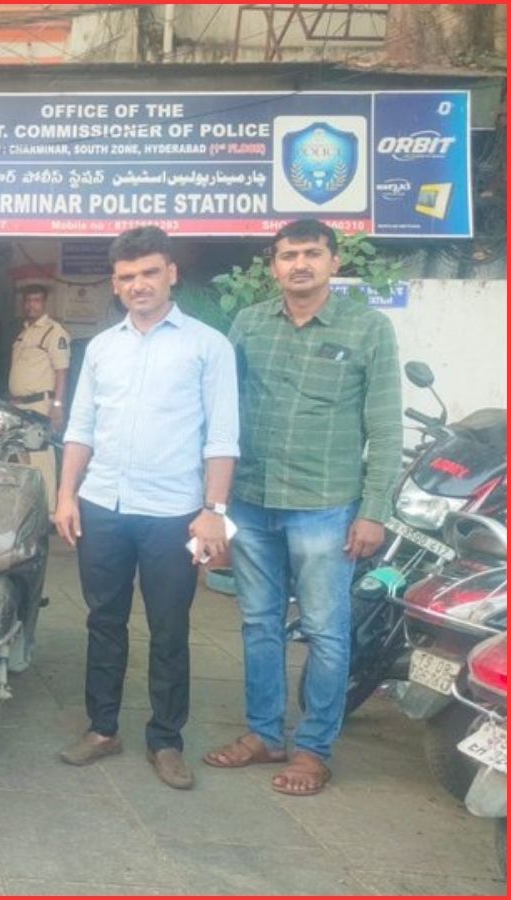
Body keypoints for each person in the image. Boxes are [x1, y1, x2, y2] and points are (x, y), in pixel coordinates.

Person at [204, 219, 402, 796]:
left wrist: (374, 510)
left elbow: (385, 430)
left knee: (324, 629)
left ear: (334, 262)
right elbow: (222, 411)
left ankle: (314, 749)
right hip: (254, 501)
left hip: (325, 505)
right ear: (273, 266)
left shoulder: (369, 329)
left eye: (312, 254)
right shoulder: (248, 325)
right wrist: (213, 500)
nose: (300, 265)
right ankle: (265, 734)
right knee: (258, 623)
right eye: (288, 255)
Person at [53, 226, 239, 790]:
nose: (139, 285)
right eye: (128, 276)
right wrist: (65, 495)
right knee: (103, 620)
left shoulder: (209, 346)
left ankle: (166, 739)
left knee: (169, 627)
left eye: (149, 273)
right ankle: (102, 727)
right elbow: (81, 427)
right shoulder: (104, 347)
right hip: (103, 505)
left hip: (173, 513)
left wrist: (213, 510)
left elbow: (222, 436)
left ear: (171, 274)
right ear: (115, 282)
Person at [7, 284, 71, 512]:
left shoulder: (54, 332)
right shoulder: (24, 332)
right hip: (19, 406)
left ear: (44, 304)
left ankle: (48, 514)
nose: (30, 305)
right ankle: (28, 511)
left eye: (36, 300)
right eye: (27, 301)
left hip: (40, 405)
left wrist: (57, 406)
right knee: (23, 459)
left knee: (41, 458)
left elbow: (61, 370)